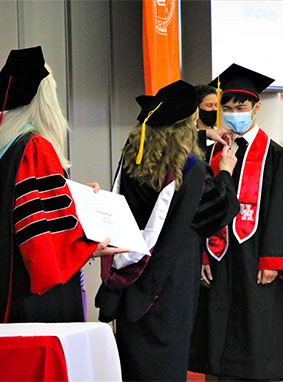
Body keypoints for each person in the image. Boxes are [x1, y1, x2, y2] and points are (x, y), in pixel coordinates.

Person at [95, 80, 240, 381]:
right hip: (171, 275)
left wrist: (204, 135)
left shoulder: (133, 158)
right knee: (166, 356)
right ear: (187, 125)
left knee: (133, 353)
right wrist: (225, 172)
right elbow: (216, 213)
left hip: (132, 272)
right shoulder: (190, 168)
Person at [0, 46, 124, 324]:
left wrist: (74, 196)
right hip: (33, 296)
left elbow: (34, 206)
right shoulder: (35, 147)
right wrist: (89, 244)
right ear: (44, 99)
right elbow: (44, 237)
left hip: (4, 285)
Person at [189, 63, 283, 381]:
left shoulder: (274, 155)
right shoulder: (212, 153)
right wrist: (200, 254)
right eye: (226, 107)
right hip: (217, 257)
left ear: (256, 108)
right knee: (215, 335)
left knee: (254, 337)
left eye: (240, 106)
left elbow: (282, 209)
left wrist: (273, 258)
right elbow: (198, 206)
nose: (233, 112)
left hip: (255, 258)